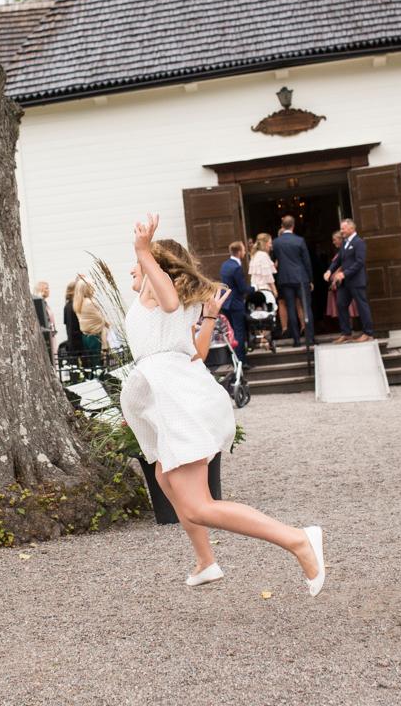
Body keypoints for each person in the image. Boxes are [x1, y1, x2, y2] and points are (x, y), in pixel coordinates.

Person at [120, 214, 326, 597]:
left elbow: (165, 300)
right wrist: (210, 316)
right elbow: (196, 353)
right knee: (166, 479)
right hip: (175, 395)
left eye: (139, 262)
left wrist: (142, 250)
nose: (132, 267)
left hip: (177, 401)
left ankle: (298, 540)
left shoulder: (155, 289)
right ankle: (205, 561)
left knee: (199, 505)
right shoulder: (168, 302)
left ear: (155, 266)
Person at [327, 218, 375, 343]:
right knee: (341, 304)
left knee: (361, 305)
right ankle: (346, 333)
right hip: (345, 282)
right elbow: (338, 260)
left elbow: (360, 262)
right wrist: (329, 271)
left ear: (351, 228)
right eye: (341, 228)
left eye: (343, 228)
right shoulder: (344, 243)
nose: (341, 231)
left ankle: (368, 333)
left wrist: (344, 274)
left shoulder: (359, 242)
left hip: (356, 281)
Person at [272, 215, 315, 347]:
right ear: (293, 226)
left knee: (290, 308)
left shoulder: (276, 242)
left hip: (285, 278)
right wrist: (311, 279)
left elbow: (275, 260)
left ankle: (296, 340)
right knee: (306, 307)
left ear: (282, 226)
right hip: (301, 277)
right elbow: (307, 261)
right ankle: (309, 338)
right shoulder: (299, 240)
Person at [219, 241, 254, 366]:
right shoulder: (236, 267)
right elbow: (243, 288)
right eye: (244, 250)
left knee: (231, 332)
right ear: (239, 252)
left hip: (226, 304)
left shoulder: (225, 265)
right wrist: (254, 288)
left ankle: (233, 359)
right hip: (235, 304)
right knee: (239, 332)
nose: (244, 252)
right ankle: (241, 361)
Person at [323, 231, 358, 326]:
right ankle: (346, 330)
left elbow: (342, 267)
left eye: (334, 240)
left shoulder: (345, 252)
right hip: (337, 283)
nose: (333, 242)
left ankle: (349, 328)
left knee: (346, 306)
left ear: (340, 239)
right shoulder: (340, 251)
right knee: (341, 306)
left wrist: (334, 280)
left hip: (342, 281)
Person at [72, 277, 108, 364]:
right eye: (92, 287)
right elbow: (100, 319)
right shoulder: (90, 302)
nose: (94, 289)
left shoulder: (78, 302)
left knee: (91, 362)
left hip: (86, 336)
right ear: (87, 289)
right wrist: (106, 323)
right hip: (95, 337)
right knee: (98, 363)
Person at [61, 278, 85, 360]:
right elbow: (72, 327)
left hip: (73, 342)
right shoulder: (73, 306)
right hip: (77, 344)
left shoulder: (67, 306)